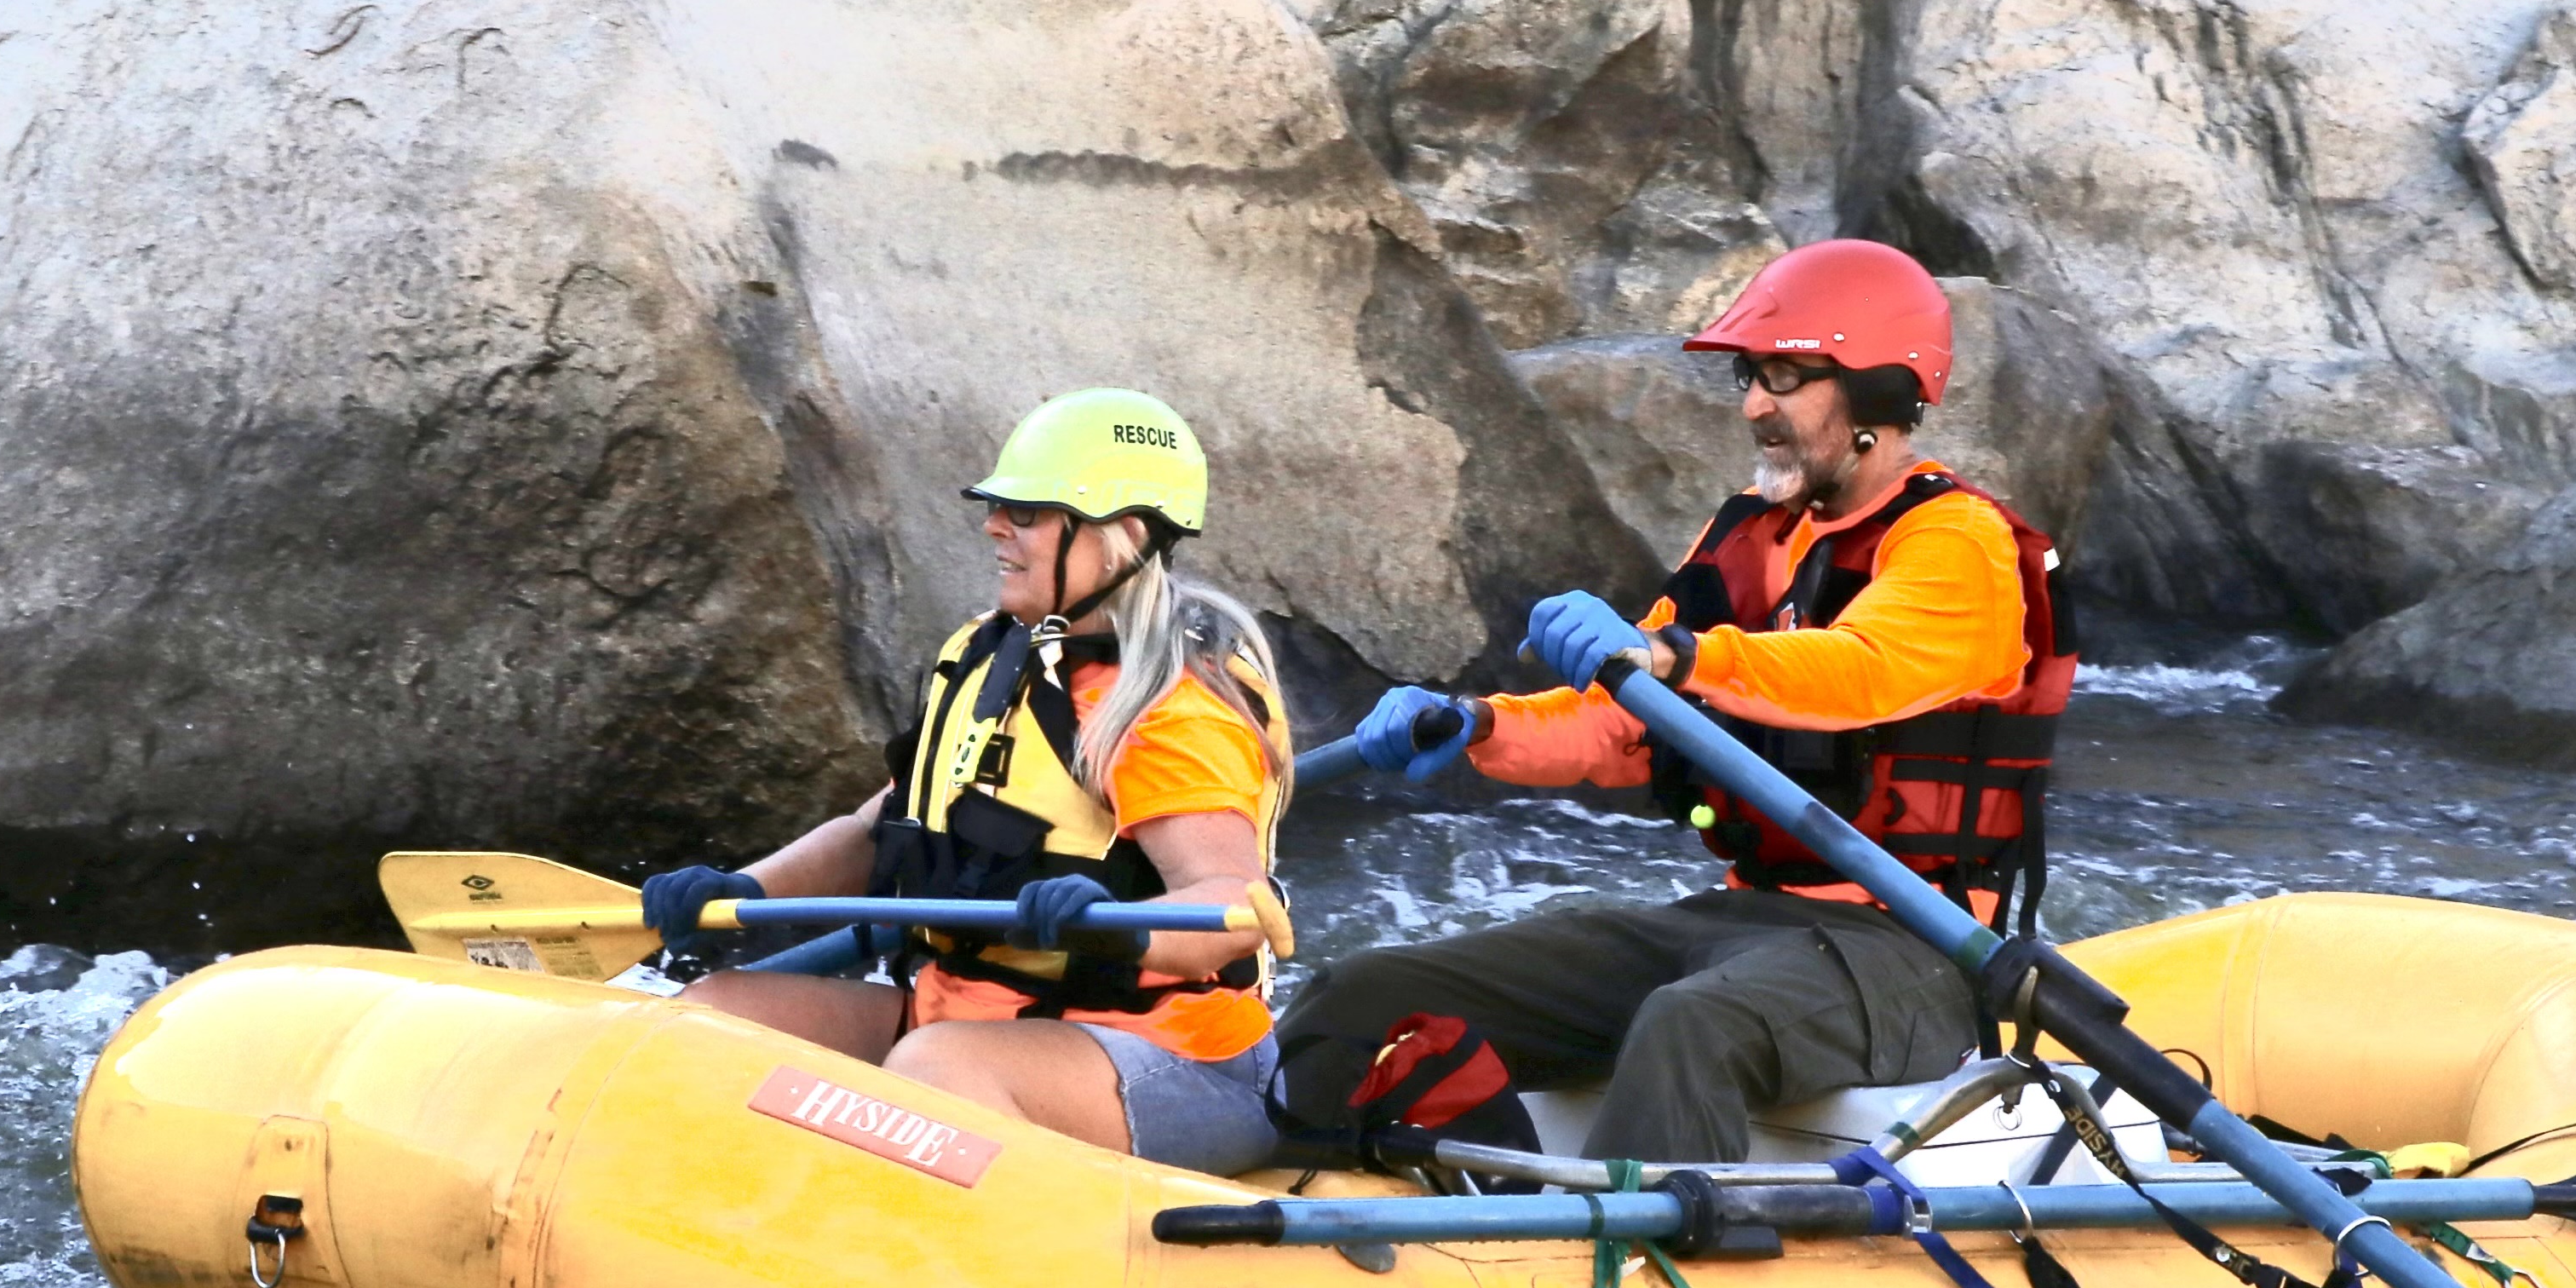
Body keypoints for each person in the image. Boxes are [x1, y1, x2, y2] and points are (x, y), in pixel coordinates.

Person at [1272, 239, 2073, 1166]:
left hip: (1919, 950)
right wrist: (1482, 724)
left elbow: (1862, 672)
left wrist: (1666, 651)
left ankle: (1630, 1287)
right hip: (1747, 919)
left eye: (1785, 375)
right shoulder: (1749, 533)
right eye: (1749, 375)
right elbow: (1627, 722)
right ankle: (1356, 1216)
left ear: (1879, 394)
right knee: (1360, 993)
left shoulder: (1959, 542)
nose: (1753, 405)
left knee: (1691, 1023)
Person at [635, 388, 1296, 1175]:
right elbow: (878, 829)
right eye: (998, 508)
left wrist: (1110, 923)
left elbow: (1233, 906)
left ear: (1124, 536)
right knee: (711, 1019)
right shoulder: (994, 657)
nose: (994, 527)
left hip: (1170, 1058)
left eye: (1028, 513)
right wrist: (735, 891)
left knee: (937, 1072)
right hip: (962, 1015)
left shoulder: (1168, 710)